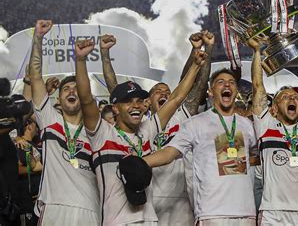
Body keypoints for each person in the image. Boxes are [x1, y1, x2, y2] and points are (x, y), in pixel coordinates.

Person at [74, 37, 207, 225]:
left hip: (150, 219)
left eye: (139, 100)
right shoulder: (102, 134)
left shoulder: (147, 130)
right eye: (128, 101)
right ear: (115, 108)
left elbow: (176, 98)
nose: (135, 105)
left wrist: (195, 65)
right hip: (118, 222)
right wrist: (80, 61)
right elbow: (86, 99)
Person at [143, 68, 258, 225]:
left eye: (231, 83)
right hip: (211, 213)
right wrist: (141, 162)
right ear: (210, 91)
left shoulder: (247, 125)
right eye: (221, 82)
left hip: (246, 213)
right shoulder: (195, 123)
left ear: (236, 91)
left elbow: (256, 157)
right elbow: (170, 152)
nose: (227, 85)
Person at [28, 20, 100, 225]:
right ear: (57, 99)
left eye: (77, 88)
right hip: (54, 208)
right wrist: (38, 37)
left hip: (90, 210)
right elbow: (35, 76)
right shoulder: (50, 119)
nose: (71, 91)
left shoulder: (96, 131)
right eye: (66, 89)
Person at [250, 37, 298, 225]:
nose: (292, 98)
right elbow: (258, 86)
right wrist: (257, 51)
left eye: (297, 98)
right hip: (273, 213)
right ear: (274, 108)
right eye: (285, 97)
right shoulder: (265, 124)